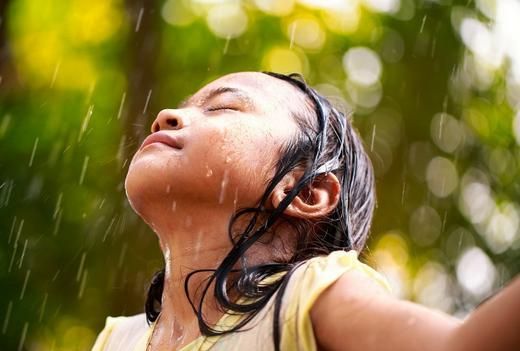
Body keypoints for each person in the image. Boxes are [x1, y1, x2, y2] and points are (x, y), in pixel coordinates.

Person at [91, 71, 520, 351]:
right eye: (182, 106)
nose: (166, 115)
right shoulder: (117, 341)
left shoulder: (303, 301)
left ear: (305, 191)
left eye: (222, 107)